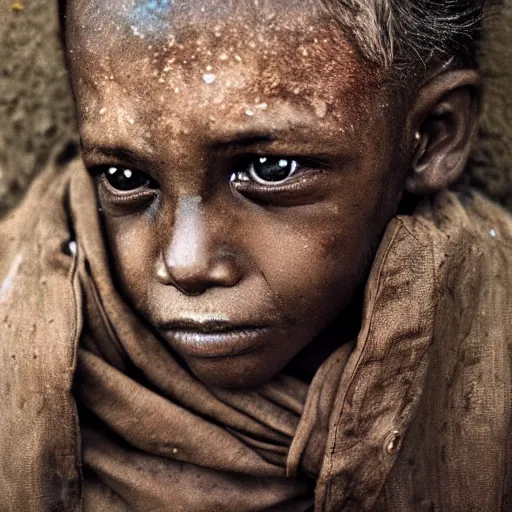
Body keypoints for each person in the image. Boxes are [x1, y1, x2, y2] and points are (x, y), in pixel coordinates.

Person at [1, 0, 511, 510]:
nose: (185, 263)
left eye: (271, 169)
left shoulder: (494, 370)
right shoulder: (22, 343)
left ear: (431, 136)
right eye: (125, 179)